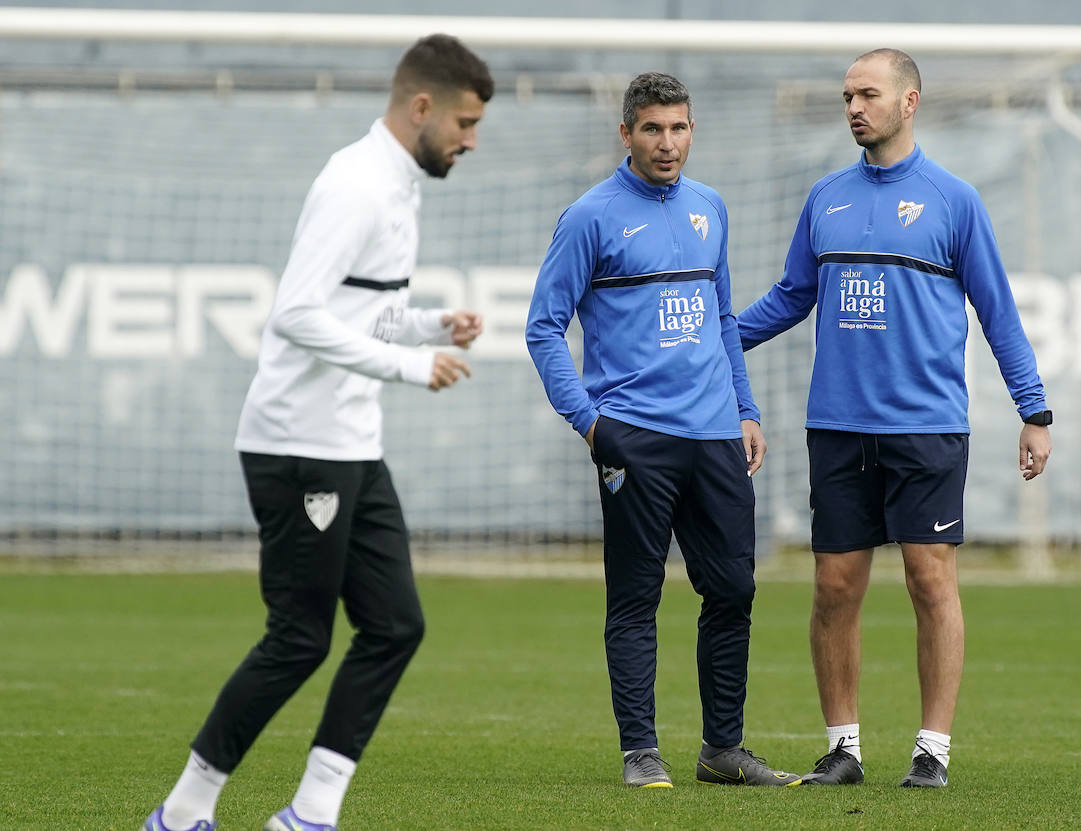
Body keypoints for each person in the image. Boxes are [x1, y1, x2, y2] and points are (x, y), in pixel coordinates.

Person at [141, 34, 492, 831]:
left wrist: (435, 323)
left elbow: (359, 307)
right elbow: (296, 313)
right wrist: (409, 367)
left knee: (397, 625)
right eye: (465, 124)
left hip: (351, 445)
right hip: (299, 445)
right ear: (423, 107)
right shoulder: (356, 185)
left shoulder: (401, 186)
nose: (471, 141)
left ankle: (309, 813)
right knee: (298, 639)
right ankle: (182, 811)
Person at [737, 48, 1052, 789]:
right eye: (847, 94)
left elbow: (997, 312)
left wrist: (1033, 410)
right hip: (839, 425)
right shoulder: (825, 198)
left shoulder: (954, 200)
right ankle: (843, 748)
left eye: (868, 94)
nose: (853, 106)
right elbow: (790, 295)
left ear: (909, 102)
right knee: (834, 587)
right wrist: (717, 334)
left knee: (928, 579)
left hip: (927, 424)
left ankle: (931, 750)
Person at [526, 72, 798, 789]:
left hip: (714, 435)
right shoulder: (589, 216)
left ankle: (723, 750)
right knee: (636, 598)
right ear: (626, 133)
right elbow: (543, 327)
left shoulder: (710, 207)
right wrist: (588, 424)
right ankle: (641, 750)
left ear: (692, 130)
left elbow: (725, 318)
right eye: (652, 129)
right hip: (633, 436)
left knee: (734, 589)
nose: (667, 143)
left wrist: (745, 409)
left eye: (679, 128)